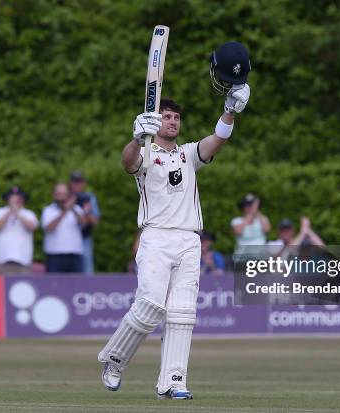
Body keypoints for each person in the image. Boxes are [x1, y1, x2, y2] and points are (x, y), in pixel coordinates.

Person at [98, 41, 251, 400]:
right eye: (166, 117)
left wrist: (230, 111)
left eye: (176, 118)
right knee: (150, 306)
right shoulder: (146, 154)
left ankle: (173, 380)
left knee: (182, 314)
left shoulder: (187, 154)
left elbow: (216, 141)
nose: (172, 121)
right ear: (156, 121)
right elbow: (126, 162)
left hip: (188, 239)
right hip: (155, 237)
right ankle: (114, 358)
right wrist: (136, 138)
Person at [0, 186, 38, 273]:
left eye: (19, 198)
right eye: (13, 198)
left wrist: (17, 213)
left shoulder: (29, 213)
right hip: (2, 261)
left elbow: (32, 227)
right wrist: (10, 211)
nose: (16, 201)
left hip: (23, 261)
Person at [41, 183, 85, 273]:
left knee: (77, 285)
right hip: (54, 255)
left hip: (74, 255)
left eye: (64, 193)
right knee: (54, 285)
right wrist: (64, 211)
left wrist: (72, 208)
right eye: (58, 193)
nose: (61, 196)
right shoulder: (48, 210)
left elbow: (83, 223)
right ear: (54, 195)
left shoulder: (77, 209)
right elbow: (49, 227)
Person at [70, 171, 100, 274]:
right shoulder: (66, 197)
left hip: (84, 238)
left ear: (84, 183)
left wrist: (86, 213)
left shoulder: (89, 198)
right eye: (74, 182)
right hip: (69, 239)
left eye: (79, 182)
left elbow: (95, 221)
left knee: (87, 270)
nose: (77, 185)